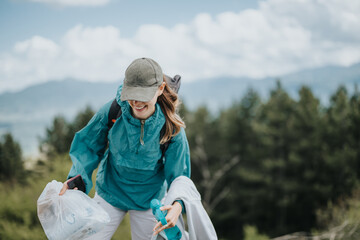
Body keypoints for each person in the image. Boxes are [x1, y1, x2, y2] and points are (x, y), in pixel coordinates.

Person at [59, 57, 191, 239]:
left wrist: (177, 204)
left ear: (160, 89)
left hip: (149, 200)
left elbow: (179, 176)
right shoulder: (113, 111)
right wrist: (79, 179)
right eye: (132, 95)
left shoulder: (171, 127)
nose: (136, 102)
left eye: (142, 96)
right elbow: (88, 146)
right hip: (110, 192)